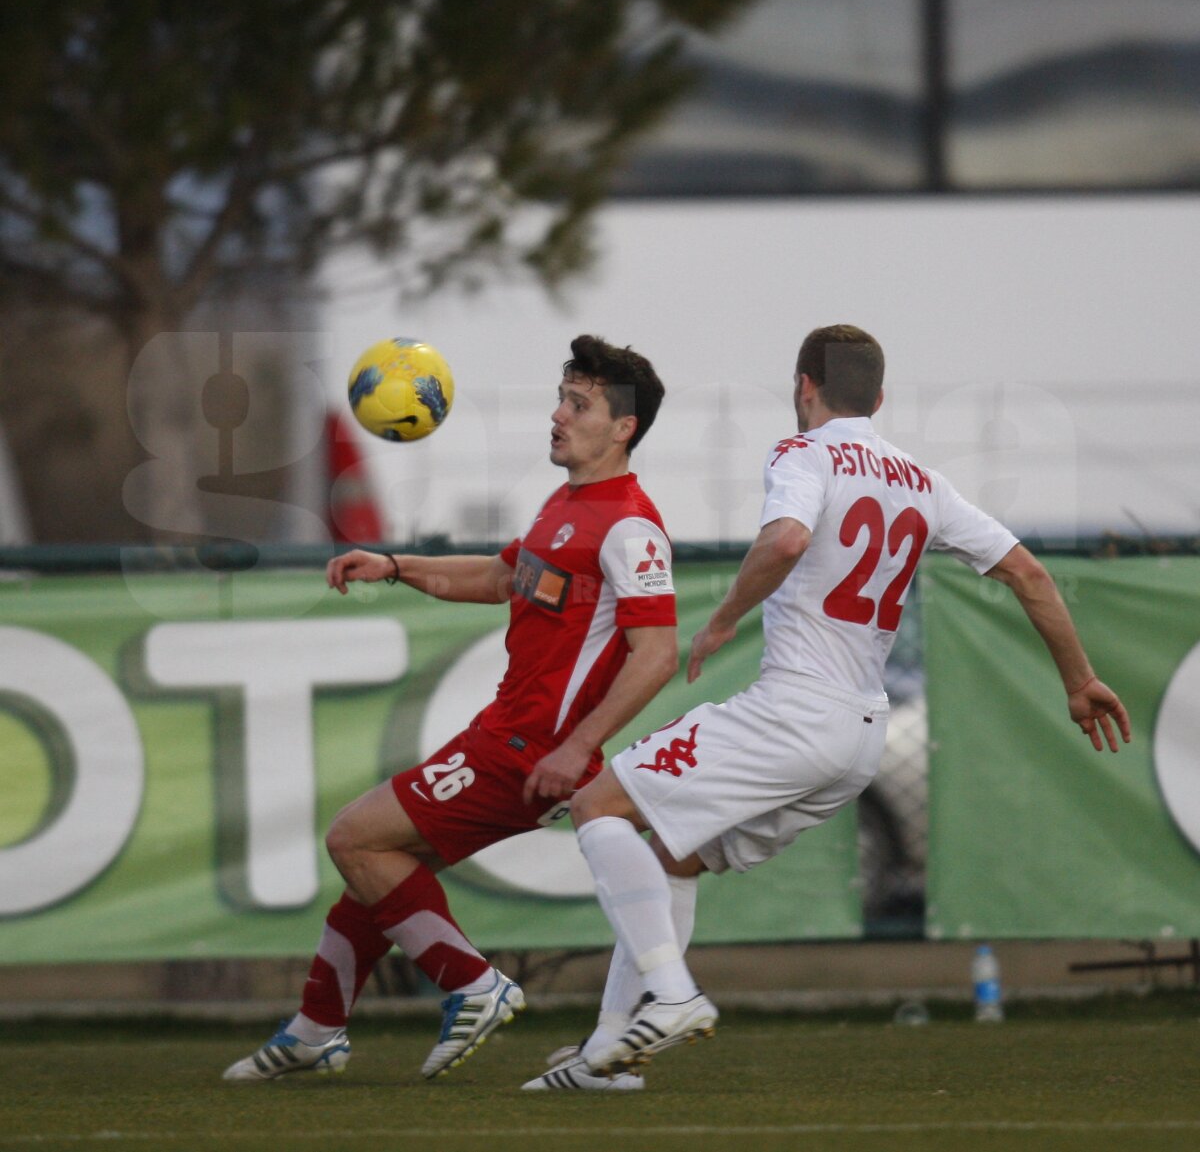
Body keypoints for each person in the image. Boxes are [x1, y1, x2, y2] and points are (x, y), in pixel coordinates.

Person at [524, 323, 1131, 1090]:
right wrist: (1078, 680)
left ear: (802, 387)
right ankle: (610, 1050)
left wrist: (722, 617)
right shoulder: (921, 480)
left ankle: (674, 996)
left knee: (596, 805)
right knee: (672, 854)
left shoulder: (800, 453)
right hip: (859, 738)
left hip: (795, 713)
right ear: (876, 398)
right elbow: (1032, 576)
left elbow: (783, 542)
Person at [223, 335, 678, 1084]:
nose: (558, 415)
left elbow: (655, 653)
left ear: (623, 427)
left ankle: (473, 982)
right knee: (382, 873)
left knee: (355, 839)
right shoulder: (564, 505)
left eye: (579, 403)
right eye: (562, 397)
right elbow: (501, 576)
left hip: (532, 748)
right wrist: (397, 565)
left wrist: (574, 749)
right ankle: (316, 1027)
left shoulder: (629, 524)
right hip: (509, 733)